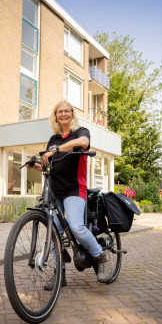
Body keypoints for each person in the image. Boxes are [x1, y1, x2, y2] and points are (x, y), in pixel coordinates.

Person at [27, 100, 113, 287]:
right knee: (53, 232)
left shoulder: (80, 133)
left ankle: (101, 256)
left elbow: (83, 143)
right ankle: (60, 274)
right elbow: (48, 167)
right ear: (56, 116)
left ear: (72, 114)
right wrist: (36, 165)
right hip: (55, 192)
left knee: (76, 226)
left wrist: (56, 150)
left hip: (74, 189)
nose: (64, 114)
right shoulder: (53, 139)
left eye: (67, 111)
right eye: (60, 111)